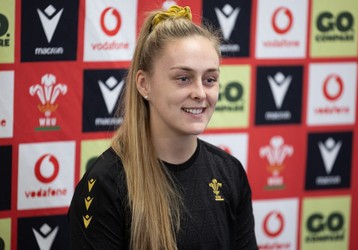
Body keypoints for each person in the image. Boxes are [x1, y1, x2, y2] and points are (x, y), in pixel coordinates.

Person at [68, 5, 257, 250]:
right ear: (144, 84)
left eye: (210, 79)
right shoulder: (106, 184)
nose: (200, 93)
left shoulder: (229, 172)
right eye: (183, 78)